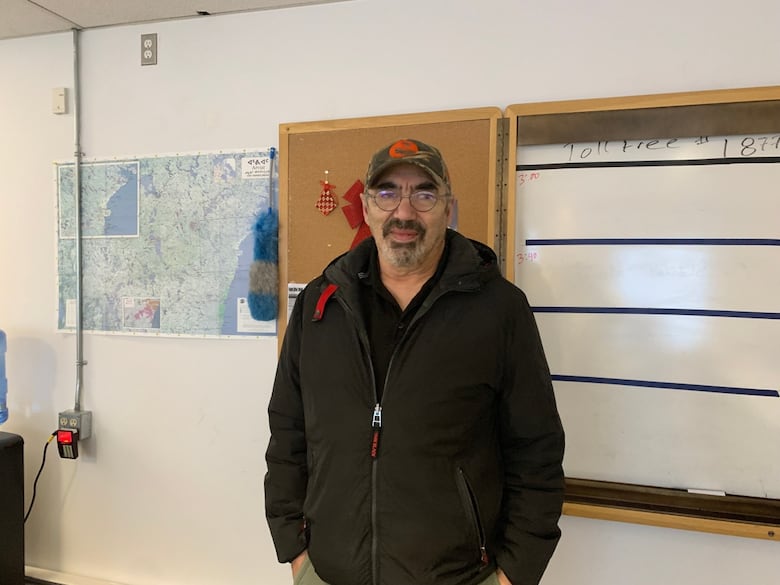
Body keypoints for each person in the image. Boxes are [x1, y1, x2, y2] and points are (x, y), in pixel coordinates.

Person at [265, 139, 565, 585]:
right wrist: (296, 552)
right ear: (366, 207)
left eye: (424, 193)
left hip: (459, 577)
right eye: (387, 193)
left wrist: (514, 575)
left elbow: (536, 453)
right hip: (326, 573)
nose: (404, 212)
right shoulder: (319, 306)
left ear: (448, 208)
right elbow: (288, 435)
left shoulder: (500, 310)